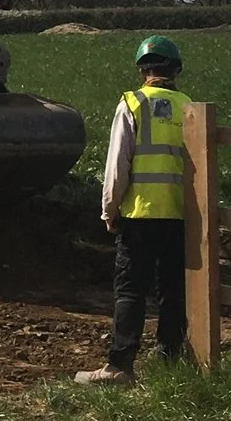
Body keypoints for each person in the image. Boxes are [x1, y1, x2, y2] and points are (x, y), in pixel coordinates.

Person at [78, 35, 191, 386]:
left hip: (140, 216)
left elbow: (117, 165)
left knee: (130, 290)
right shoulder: (189, 106)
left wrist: (108, 210)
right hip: (179, 215)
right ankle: (170, 360)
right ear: (176, 70)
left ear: (143, 70)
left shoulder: (133, 103)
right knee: (173, 290)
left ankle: (120, 366)